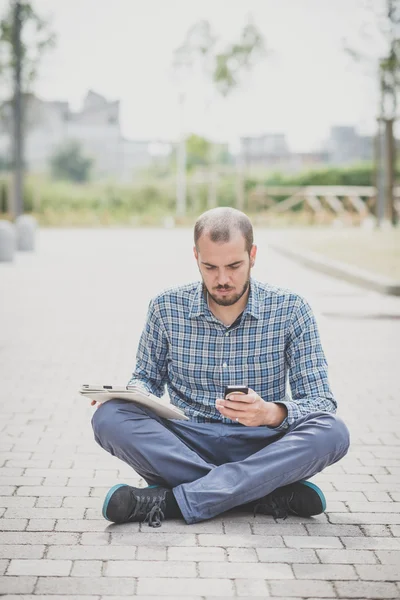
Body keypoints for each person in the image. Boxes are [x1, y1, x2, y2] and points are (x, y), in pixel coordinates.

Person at [92, 207, 350, 528]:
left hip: (260, 445)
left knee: (333, 431)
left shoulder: (291, 310)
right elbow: (145, 378)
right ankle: (260, 492)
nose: (223, 279)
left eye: (234, 266)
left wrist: (270, 413)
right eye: (210, 267)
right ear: (196, 256)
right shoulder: (165, 307)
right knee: (109, 416)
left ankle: (171, 501)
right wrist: (130, 395)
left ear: (252, 255)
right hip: (186, 443)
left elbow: (321, 402)